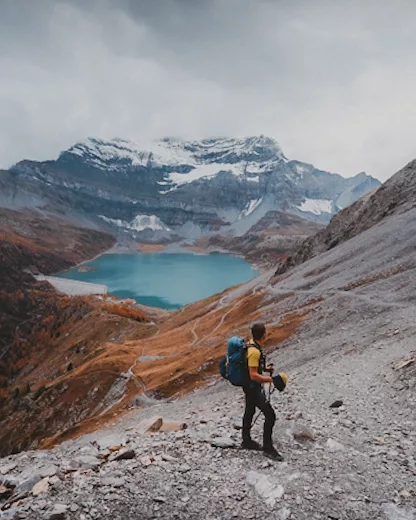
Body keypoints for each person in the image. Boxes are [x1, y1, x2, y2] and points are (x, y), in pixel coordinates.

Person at [242, 322, 284, 461]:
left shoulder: (252, 344)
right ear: (263, 334)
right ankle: (267, 448)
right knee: (270, 415)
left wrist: (266, 370)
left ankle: (246, 440)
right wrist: (272, 380)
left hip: (249, 386)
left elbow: (253, 368)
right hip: (253, 387)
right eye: (265, 332)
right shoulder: (254, 351)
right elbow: (253, 374)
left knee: (250, 411)